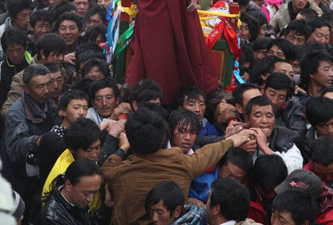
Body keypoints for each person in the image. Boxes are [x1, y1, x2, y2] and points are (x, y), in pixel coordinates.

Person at [102, 106, 251, 225]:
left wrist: (122, 148)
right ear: (163, 137)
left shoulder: (118, 173)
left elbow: (106, 167)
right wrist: (235, 139)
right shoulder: (183, 164)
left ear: (132, 142)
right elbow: (209, 153)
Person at [1, 65, 58, 214]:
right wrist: (37, 141)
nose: (46, 90)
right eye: (40, 86)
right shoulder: (16, 114)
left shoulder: (49, 104)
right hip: (19, 181)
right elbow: (14, 149)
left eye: (48, 84)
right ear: (26, 88)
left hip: (40, 178)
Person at [37, 158, 111, 225]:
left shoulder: (76, 202)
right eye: (86, 193)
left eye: (95, 192)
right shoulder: (51, 220)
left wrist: (106, 207)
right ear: (68, 185)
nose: (90, 199)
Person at [245, 96, 303, 173]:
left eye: (269, 116)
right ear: (247, 119)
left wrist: (264, 147)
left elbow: (294, 169)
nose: (264, 121)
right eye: (258, 116)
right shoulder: (241, 138)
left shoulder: (285, 140)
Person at [0, 29, 32, 108]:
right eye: (10, 51)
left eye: (19, 50)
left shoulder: (34, 64)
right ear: (5, 51)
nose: (15, 55)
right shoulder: (1, 70)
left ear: (25, 47)